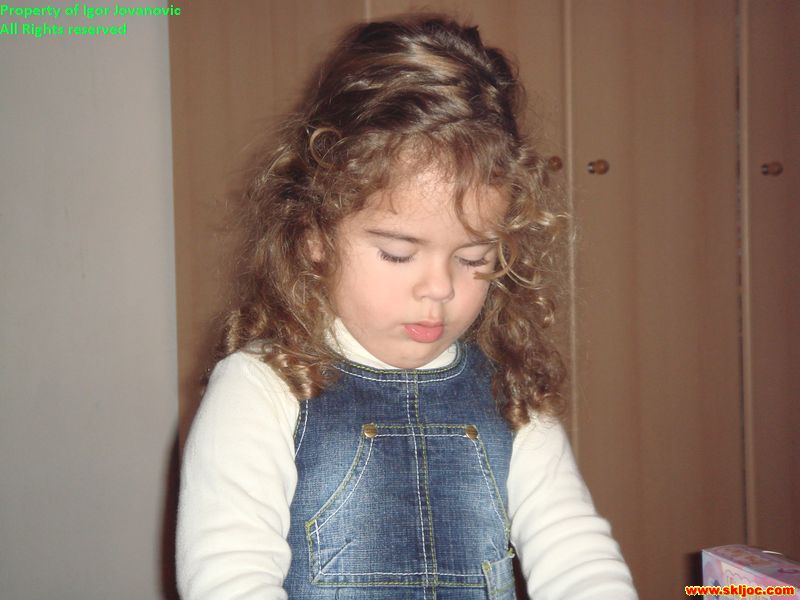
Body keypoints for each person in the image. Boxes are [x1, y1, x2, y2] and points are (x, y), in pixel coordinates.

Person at [176, 15, 637, 600]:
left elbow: (575, 551)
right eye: (398, 253)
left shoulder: (509, 393)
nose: (439, 288)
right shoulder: (261, 387)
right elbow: (228, 578)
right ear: (314, 236)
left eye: (473, 257)